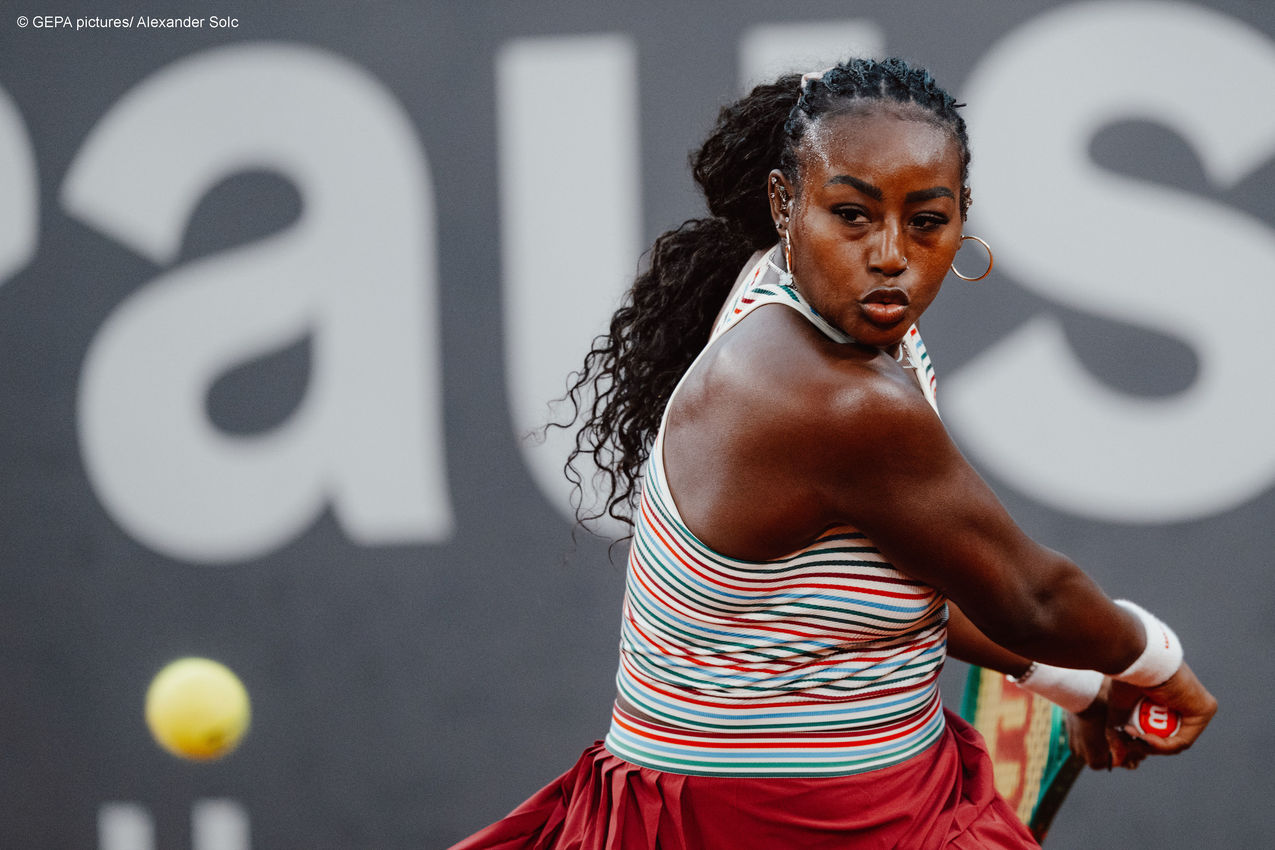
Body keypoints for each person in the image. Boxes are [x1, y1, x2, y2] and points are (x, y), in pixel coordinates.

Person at [450, 56, 1217, 849]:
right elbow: (1032, 602)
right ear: (784, 202)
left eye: (926, 222)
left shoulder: (795, 295)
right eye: (852, 215)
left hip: (831, 795)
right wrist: (1155, 664)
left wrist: (1081, 685)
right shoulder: (837, 399)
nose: (889, 254)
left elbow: (906, 580)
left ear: (961, 217)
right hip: (777, 823)